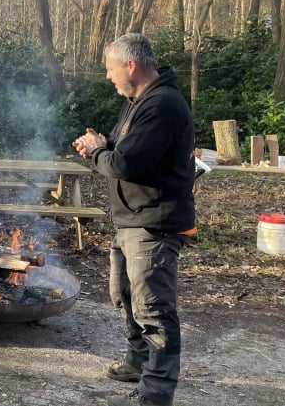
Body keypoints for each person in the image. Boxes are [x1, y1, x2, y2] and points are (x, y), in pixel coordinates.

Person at [72, 33, 195, 406]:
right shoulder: (136, 101)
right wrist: (100, 145)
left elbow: (125, 164)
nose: (108, 77)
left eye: (110, 69)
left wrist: (98, 153)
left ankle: (156, 392)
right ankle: (137, 363)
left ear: (131, 65)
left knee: (154, 308)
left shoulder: (162, 104)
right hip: (131, 220)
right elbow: (121, 149)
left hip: (153, 223)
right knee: (126, 295)